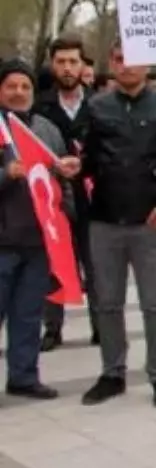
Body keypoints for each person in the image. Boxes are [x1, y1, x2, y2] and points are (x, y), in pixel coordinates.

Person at [79, 41, 156, 409]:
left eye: (135, 59)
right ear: (111, 62)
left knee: (154, 304)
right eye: (120, 59)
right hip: (105, 219)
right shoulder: (96, 107)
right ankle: (112, 373)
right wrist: (76, 168)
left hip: (150, 221)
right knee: (107, 303)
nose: (127, 66)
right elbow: (87, 159)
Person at [0, 59, 78, 400]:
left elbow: (62, 178)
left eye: (25, 87)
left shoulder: (46, 130)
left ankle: (24, 376)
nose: (18, 92)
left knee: (29, 314)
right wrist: (6, 175)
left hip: (39, 241)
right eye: (11, 86)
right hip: (2, 241)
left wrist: (67, 179)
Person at [33, 36, 97, 351]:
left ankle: (102, 324)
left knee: (97, 265)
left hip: (95, 200)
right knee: (54, 265)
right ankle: (52, 327)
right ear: (52, 64)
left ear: (83, 64)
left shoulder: (99, 104)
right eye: (61, 62)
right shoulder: (39, 107)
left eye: (73, 61)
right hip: (54, 200)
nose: (68, 68)